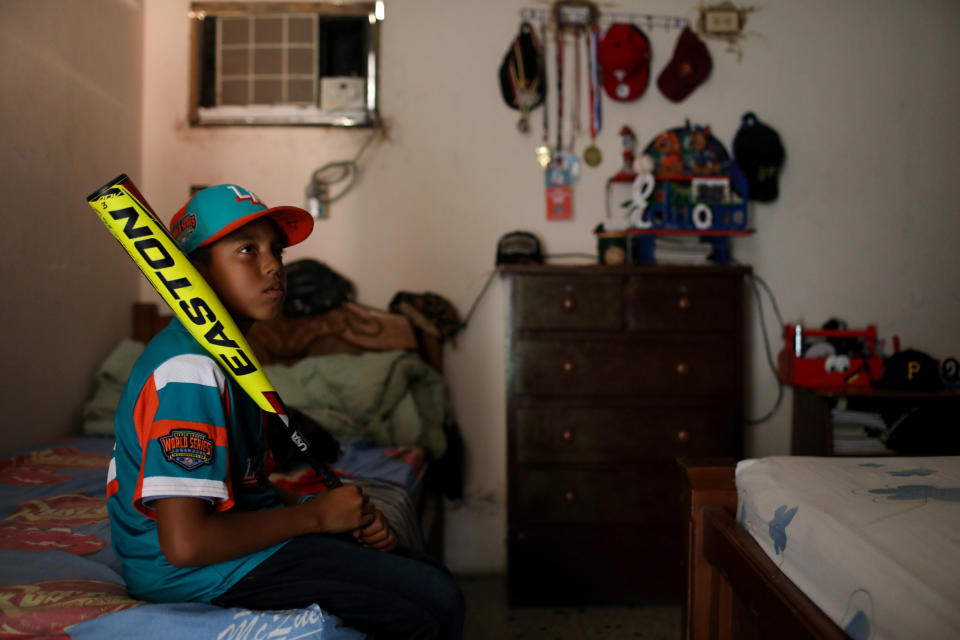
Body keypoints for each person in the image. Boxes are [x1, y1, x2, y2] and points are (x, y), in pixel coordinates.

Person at [107, 184, 464, 639]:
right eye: (246, 250)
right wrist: (316, 518)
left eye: (276, 250)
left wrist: (327, 508)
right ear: (195, 272)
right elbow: (185, 544)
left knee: (424, 573)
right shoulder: (189, 370)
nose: (273, 264)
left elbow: (247, 490)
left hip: (234, 551)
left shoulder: (230, 359)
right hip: (195, 575)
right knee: (434, 603)